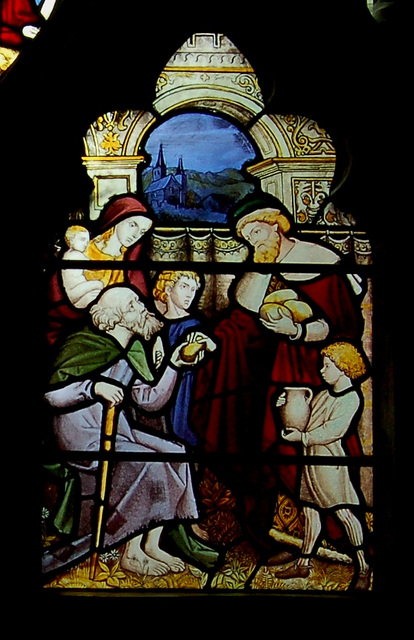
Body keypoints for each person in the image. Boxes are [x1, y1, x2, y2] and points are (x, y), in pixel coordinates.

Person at [191, 192, 364, 554]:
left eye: (255, 232)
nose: (253, 241)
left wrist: (299, 333)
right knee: (263, 446)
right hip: (273, 371)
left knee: (307, 451)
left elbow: (343, 325)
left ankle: (333, 535)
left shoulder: (319, 260)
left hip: (318, 373)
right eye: (247, 238)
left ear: (275, 223)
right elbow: (244, 317)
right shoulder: (262, 264)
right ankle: (265, 533)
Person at [44, 285, 214, 576]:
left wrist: (175, 364)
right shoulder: (84, 344)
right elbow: (51, 396)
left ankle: (152, 543)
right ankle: (130, 553)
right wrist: (93, 387)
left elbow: (150, 401)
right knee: (150, 463)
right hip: (80, 435)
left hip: (116, 431)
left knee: (176, 452)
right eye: (135, 305)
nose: (144, 308)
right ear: (116, 318)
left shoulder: (131, 352)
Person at [275, 342, 371, 590]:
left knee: (344, 514)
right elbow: (304, 419)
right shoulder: (323, 394)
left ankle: (364, 566)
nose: (322, 370)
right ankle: (304, 562)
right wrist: (285, 406)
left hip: (329, 464)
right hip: (311, 461)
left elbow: (333, 431)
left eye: (327, 366)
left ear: (343, 368)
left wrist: (302, 438)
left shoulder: (350, 399)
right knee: (310, 512)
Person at [46, 194, 154, 348]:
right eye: (132, 224)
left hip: (110, 336)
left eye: (143, 231)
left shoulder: (131, 268)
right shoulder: (81, 251)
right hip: (66, 331)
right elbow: (55, 297)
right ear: (118, 219)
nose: (136, 234)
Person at [153, 270, 209, 447]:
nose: (190, 294)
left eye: (193, 289)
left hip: (185, 388)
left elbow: (210, 354)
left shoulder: (194, 325)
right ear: (168, 289)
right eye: (184, 287)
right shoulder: (154, 324)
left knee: (180, 430)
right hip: (155, 388)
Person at [61, 225, 104, 308]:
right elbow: (94, 267)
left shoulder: (67, 254)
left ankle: (80, 304)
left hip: (75, 291)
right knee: (99, 284)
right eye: (82, 240)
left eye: (87, 241)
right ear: (71, 240)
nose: (85, 244)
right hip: (73, 292)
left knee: (94, 294)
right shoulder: (75, 254)